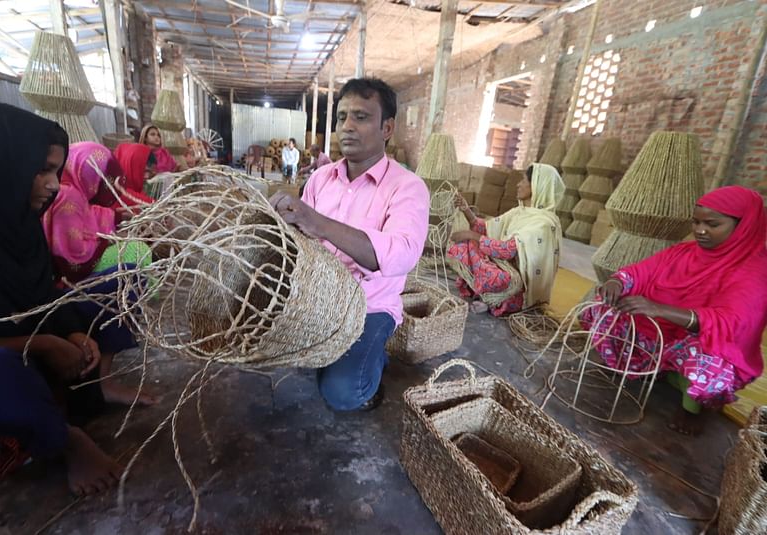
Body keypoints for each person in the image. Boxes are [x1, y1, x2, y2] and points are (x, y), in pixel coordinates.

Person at [0, 95, 152, 496]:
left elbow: (44, 297)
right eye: (41, 171)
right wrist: (46, 344)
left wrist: (69, 335)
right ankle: (66, 440)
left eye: (56, 170)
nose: (53, 183)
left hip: (37, 343)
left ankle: (98, 382)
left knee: (122, 279)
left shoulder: (17, 223)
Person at [269, 78, 429, 411]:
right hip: (317, 299)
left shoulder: (408, 187)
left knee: (342, 394)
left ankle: (373, 367)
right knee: (271, 349)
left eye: (361, 117)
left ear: (387, 127)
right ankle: (341, 353)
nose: (347, 127)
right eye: (342, 117)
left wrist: (318, 222)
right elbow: (299, 242)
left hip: (369, 306)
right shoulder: (320, 178)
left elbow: (400, 255)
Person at [587, 186, 767, 436]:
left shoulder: (754, 271)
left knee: (709, 358)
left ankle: (694, 410)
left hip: (703, 344)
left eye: (712, 224)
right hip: (664, 335)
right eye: (696, 222)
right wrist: (617, 282)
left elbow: (732, 323)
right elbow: (641, 272)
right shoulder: (684, 253)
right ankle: (652, 368)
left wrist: (660, 309)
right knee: (605, 306)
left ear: (743, 225)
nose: (700, 231)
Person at [447, 163, 564, 316]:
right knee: (466, 246)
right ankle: (488, 297)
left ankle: (495, 300)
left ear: (537, 186)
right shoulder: (520, 212)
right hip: (500, 265)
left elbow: (507, 250)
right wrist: (465, 209)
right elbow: (486, 228)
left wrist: (470, 235)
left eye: (524, 180)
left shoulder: (544, 223)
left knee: (493, 271)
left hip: (516, 284)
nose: (518, 184)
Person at [41, 142, 152, 284]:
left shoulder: (72, 188)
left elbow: (88, 214)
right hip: (66, 280)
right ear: (89, 172)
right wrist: (109, 240)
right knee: (137, 251)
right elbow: (73, 258)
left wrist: (117, 217)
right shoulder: (69, 196)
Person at [109, 142, 157, 206]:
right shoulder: (112, 188)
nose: (147, 176)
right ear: (132, 165)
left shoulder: (128, 184)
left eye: (150, 172)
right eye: (145, 171)